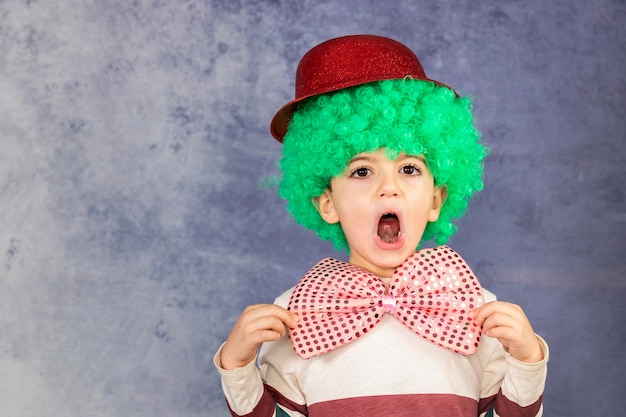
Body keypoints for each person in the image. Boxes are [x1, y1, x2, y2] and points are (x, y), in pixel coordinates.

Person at [214, 34, 548, 417]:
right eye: (361, 171)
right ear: (327, 203)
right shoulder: (300, 313)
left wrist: (527, 359)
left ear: (436, 199)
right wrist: (238, 368)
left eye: (408, 168)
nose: (388, 187)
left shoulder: (470, 305)